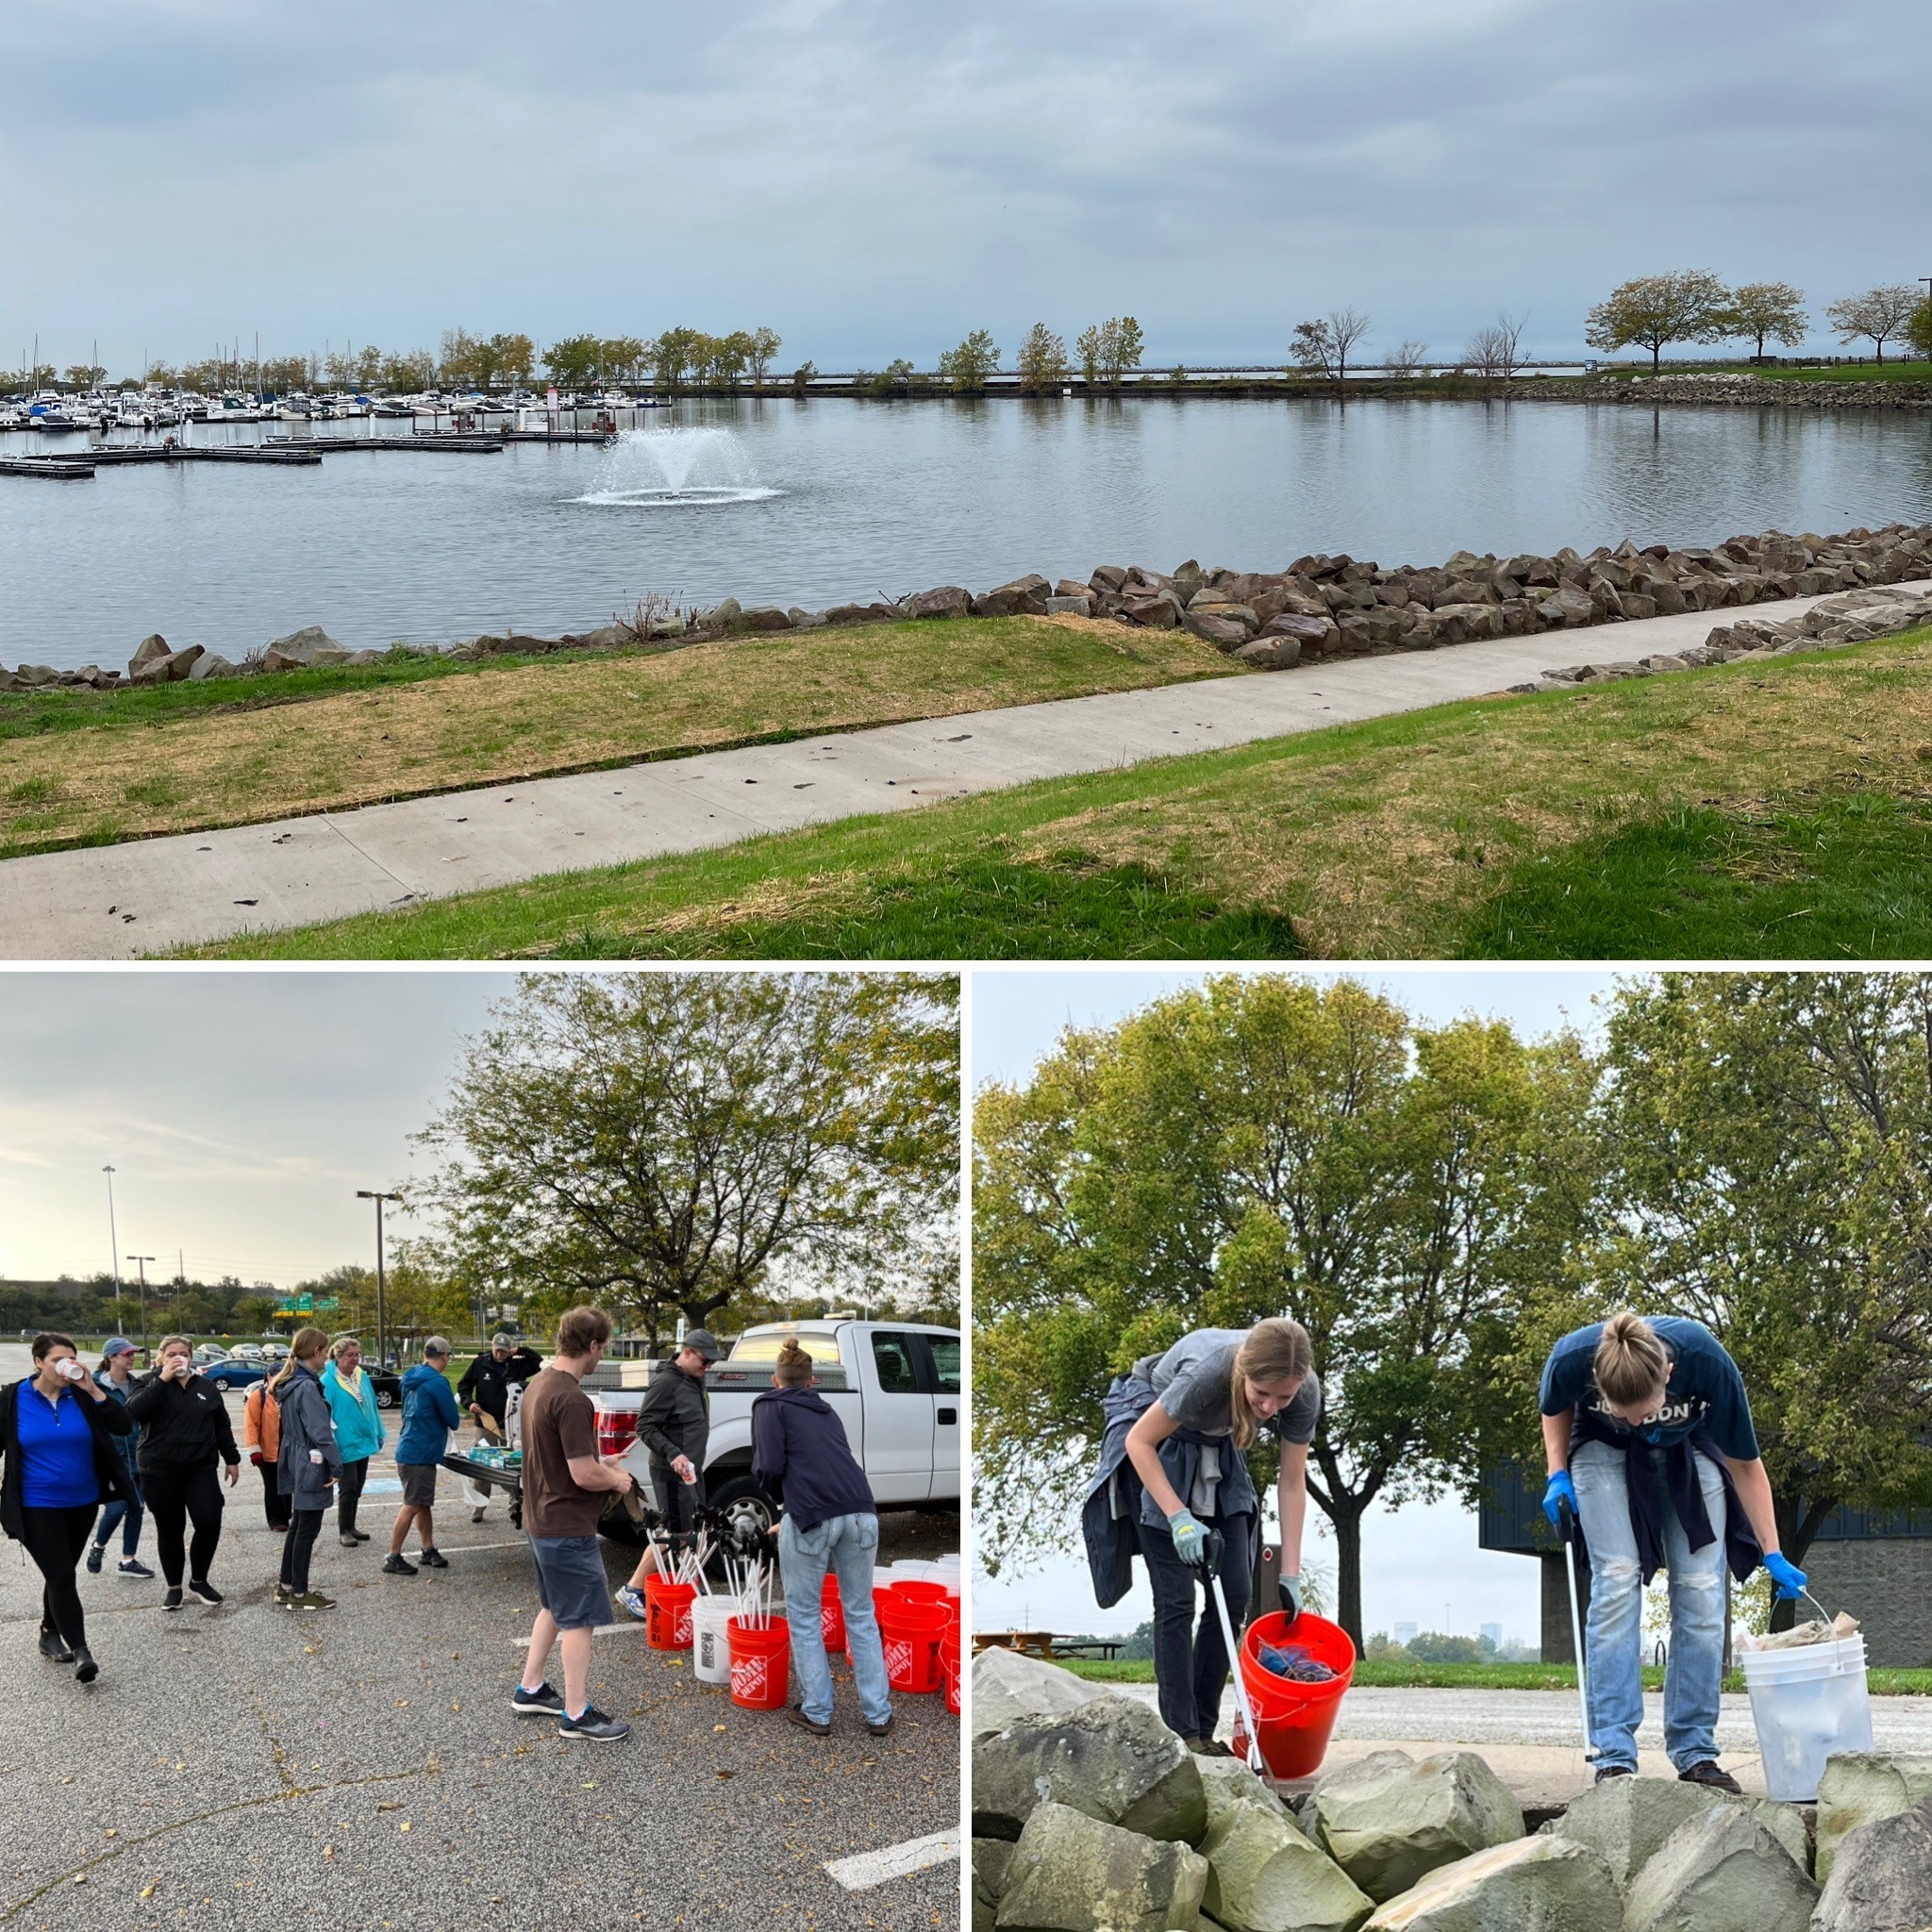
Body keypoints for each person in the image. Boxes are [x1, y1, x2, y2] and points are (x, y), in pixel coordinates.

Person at [1540, 1310, 1806, 1792]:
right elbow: (1554, 1405)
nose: (1638, 1422)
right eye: (1626, 1412)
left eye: (1644, 1409)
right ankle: (1614, 1757)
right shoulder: (1573, 1356)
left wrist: (1772, 1551)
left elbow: (1747, 1465)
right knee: (1617, 1581)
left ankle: (1695, 1751)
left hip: (1690, 1449)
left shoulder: (1707, 1361)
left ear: (1668, 1372)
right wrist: (1557, 1472)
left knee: (1703, 1593)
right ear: (1599, 1383)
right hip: (1601, 1452)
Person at [1082, 1319, 1318, 1754]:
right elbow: (1139, 1441)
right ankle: (1183, 1736)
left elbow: (1291, 1482)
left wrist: (1291, 1573)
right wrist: (1178, 1517)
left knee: (1233, 1594)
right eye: (1260, 1393)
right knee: (1176, 1598)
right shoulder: (1210, 1371)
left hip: (1217, 1445)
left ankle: (1205, 1735)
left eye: (1281, 1397)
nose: (1269, 1407)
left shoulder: (1302, 1392)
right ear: (1244, 1372)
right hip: (1154, 1438)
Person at [752, 1340, 894, 1739]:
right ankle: (878, 1714)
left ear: (776, 1380)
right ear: (811, 1381)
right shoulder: (826, 1409)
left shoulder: (769, 1404)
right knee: (861, 1614)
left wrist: (790, 1507)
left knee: (804, 1615)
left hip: (813, 1518)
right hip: (863, 1513)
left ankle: (818, 1711)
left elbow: (768, 1465)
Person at [511, 1307, 632, 1741]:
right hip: (566, 1525)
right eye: (605, 1347)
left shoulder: (538, 1386)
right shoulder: (573, 1398)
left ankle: (531, 1688)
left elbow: (567, 1461)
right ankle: (576, 1714)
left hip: (541, 1517)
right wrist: (615, 1476)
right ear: (594, 1345)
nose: (604, 1356)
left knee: (555, 1608)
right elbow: (583, 1475)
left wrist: (603, 1463)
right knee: (578, 1619)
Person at [0, 1331, 137, 1681]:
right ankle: (81, 1651)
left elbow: (123, 1425)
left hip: (82, 1501)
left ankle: (48, 1630)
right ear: (38, 1363)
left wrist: (92, 1389)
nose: (66, 1366)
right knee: (61, 1574)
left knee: (60, 1572)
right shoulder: (13, 1398)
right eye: (58, 1360)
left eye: (72, 1359)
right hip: (35, 1502)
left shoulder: (82, 1395)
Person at [127, 1332, 241, 1611]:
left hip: (199, 1467)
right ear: (160, 1358)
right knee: (170, 1529)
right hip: (159, 1470)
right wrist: (162, 1379)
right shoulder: (147, 1383)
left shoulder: (206, 1385)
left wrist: (231, 1458)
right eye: (172, 1354)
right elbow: (135, 1412)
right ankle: (174, 1587)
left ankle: (199, 1580)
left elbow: (222, 1425)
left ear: (192, 1357)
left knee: (209, 1521)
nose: (179, 1358)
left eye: (184, 1354)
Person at [613, 1329, 720, 1620]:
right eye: (705, 1361)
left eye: (711, 1363)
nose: (707, 1367)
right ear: (687, 1353)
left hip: (691, 1470)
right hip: (670, 1472)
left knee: (697, 1533)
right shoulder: (666, 1383)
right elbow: (645, 1426)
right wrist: (673, 1454)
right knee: (677, 1533)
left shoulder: (694, 1378)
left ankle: (687, 1588)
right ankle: (632, 1589)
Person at [272, 1327, 343, 1610]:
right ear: (315, 1352)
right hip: (311, 1461)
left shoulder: (291, 1381)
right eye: (325, 1351)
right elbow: (321, 1433)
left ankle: (286, 1585)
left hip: (297, 1458)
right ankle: (299, 1595)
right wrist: (336, 1466)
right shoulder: (306, 1387)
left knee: (298, 1524)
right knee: (307, 1529)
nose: (327, 1356)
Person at [385, 1337, 460, 1576]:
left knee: (422, 1502)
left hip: (410, 1447)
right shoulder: (438, 1382)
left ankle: (428, 1549)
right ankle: (393, 1556)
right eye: (448, 1357)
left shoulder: (411, 1376)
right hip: (420, 1451)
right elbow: (453, 1419)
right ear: (445, 1357)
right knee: (413, 1504)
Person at [86, 1338, 155, 1580]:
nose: (131, 1357)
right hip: (111, 1460)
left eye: (133, 1353)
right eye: (126, 1353)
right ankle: (98, 1547)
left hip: (138, 1456)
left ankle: (128, 1560)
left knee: (137, 1507)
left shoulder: (138, 1384)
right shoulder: (93, 1385)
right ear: (111, 1357)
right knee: (116, 1508)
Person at [457, 1333, 542, 1522]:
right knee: (481, 1466)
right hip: (485, 1423)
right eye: (497, 1349)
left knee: (513, 1467)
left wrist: (519, 1351)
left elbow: (538, 1361)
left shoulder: (517, 1365)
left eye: (504, 1351)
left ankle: (515, 1505)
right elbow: (463, 1385)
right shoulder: (480, 1363)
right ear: (491, 1346)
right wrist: (469, 1403)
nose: (500, 1354)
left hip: (511, 1425)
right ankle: (479, 1505)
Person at [321, 1334, 384, 1548]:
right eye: (350, 1355)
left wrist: (379, 1432)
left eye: (357, 1354)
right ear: (338, 1357)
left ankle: (352, 1525)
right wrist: (331, 1443)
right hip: (344, 1441)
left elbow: (372, 1406)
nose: (356, 1359)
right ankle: (344, 1530)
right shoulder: (328, 1381)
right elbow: (326, 1415)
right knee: (348, 1486)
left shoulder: (361, 1376)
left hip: (363, 1440)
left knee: (359, 1485)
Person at [242, 1373, 291, 1534]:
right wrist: (254, 1449)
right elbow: (251, 1425)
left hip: (288, 1450)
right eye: (278, 1375)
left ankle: (286, 1516)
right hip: (267, 1450)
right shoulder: (258, 1396)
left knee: (287, 1485)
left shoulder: (289, 1393)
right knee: (272, 1486)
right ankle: (275, 1520)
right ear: (268, 1376)